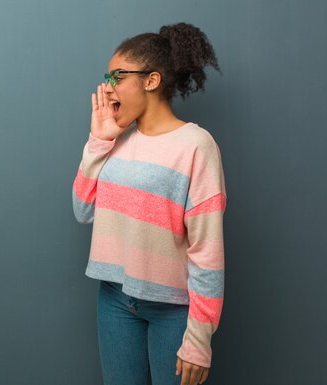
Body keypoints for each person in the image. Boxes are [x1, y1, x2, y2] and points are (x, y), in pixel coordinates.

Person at [71, 22, 227, 385]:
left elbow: (207, 251)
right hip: (113, 299)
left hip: (172, 310)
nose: (107, 88)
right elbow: (82, 210)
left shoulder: (196, 146)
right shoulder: (115, 141)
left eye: (117, 76)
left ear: (151, 80)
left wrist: (199, 340)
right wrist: (97, 142)